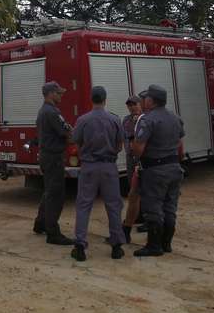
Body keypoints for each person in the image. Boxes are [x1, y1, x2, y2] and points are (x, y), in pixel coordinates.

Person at [70, 86, 126, 261]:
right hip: (109, 167)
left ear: (91, 99)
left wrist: (85, 155)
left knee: (84, 205)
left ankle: (80, 245)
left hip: (89, 166)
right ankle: (117, 246)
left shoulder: (83, 120)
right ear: (105, 99)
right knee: (113, 205)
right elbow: (120, 145)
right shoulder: (115, 120)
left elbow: (76, 142)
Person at [131, 84, 185, 257]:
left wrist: (134, 148)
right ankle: (166, 243)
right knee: (170, 207)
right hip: (174, 167)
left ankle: (154, 246)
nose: (143, 100)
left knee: (153, 207)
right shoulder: (175, 118)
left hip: (155, 170)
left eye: (146, 98)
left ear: (151, 101)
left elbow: (138, 149)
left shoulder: (148, 119)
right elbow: (179, 145)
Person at [33, 81, 75, 245]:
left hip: (46, 155)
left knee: (49, 191)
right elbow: (66, 132)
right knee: (56, 195)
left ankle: (41, 223)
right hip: (53, 157)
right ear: (50, 94)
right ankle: (53, 233)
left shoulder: (43, 111)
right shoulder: (52, 112)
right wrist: (72, 133)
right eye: (58, 93)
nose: (61, 96)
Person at [121, 95, 143, 244]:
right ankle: (137, 215)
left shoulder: (145, 119)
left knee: (144, 188)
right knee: (132, 186)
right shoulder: (126, 120)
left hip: (142, 157)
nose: (132, 107)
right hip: (131, 157)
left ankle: (146, 216)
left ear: (140, 104)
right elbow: (124, 137)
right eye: (129, 105)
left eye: (134, 104)